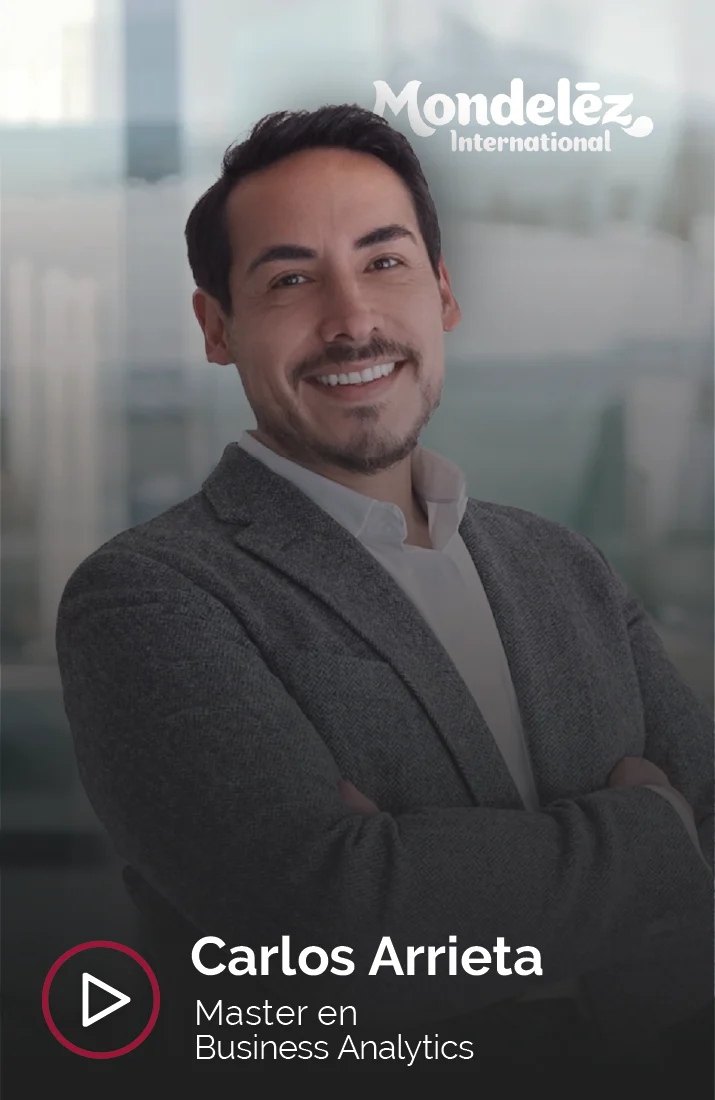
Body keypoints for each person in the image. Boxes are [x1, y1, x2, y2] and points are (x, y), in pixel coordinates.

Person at [55, 105, 712, 1077]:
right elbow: (329, 918)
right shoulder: (148, 595)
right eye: (290, 278)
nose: (351, 317)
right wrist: (655, 835)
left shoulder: (562, 563)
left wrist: (431, 870)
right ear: (216, 326)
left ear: (441, 294)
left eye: (384, 261)